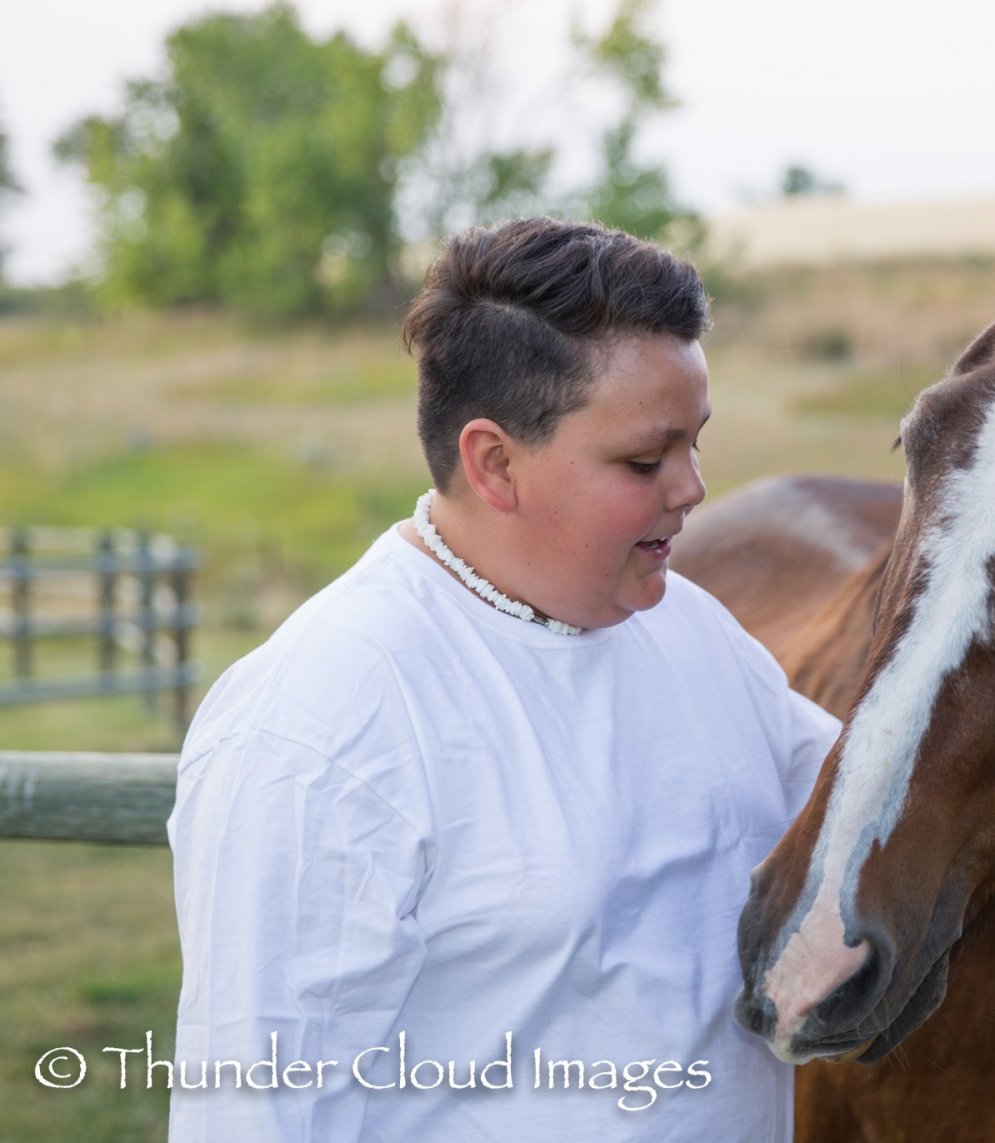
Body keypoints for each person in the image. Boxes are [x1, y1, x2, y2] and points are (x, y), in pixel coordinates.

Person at [167, 218, 840, 1141]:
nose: (691, 487)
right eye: (645, 459)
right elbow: (253, 1109)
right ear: (494, 463)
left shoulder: (693, 628)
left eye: (695, 443)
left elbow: (863, 810)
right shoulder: (321, 718)